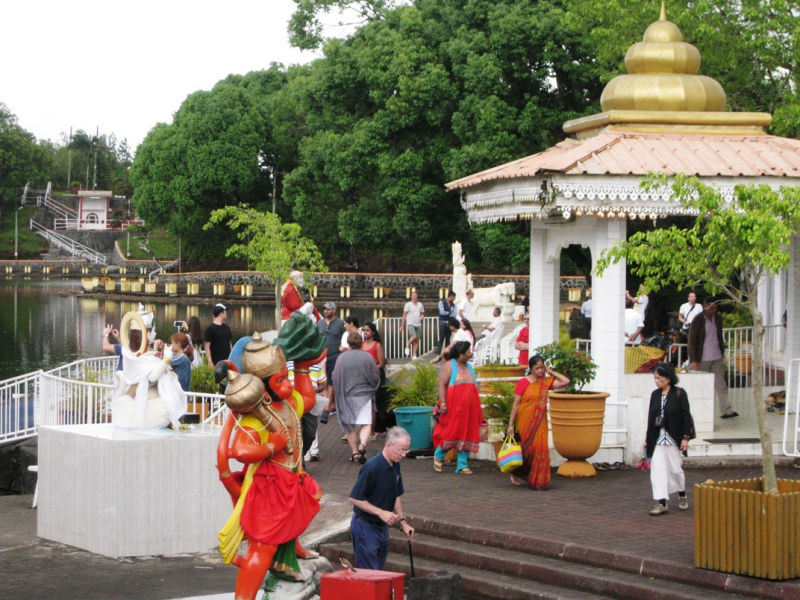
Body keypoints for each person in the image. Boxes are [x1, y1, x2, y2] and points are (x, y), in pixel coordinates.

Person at [216, 330, 325, 600]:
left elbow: (308, 401)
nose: (287, 385)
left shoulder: (285, 403)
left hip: (291, 478)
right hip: (270, 487)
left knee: (307, 504)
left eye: (286, 377)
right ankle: (244, 598)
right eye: (280, 380)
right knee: (262, 547)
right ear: (263, 388)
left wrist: (301, 370)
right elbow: (241, 450)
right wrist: (272, 446)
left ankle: (292, 548)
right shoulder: (256, 418)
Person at [348, 427, 415, 570]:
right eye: (401, 450)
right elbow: (354, 498)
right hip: (365, 526)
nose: (403, 455)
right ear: (389, 445)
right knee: (369, 574)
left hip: (381, 528)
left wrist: (403, 522)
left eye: (406, 450)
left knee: (379, 572)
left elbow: (396, 494)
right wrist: (381, 512)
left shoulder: (395, 465)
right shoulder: (371, 467)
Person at [506, 355, 570, 490]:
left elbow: (565, 381)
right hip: (525, 420)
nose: (540, 371)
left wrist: (551, 371)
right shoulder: (523, 382)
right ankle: (517, 472)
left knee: (540, 448)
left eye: (542, 368)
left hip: (540, 421)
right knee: (528, 449)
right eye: (537, 368)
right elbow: (516, 405)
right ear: (531, 369)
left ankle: (538, 480)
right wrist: (510, 425)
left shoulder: (546, 382)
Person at [644, 362, 692, 515]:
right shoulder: (655, 395)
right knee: (658, 470)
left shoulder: (679, 393)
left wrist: (685, 438)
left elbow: (686, 417)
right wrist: (648, 439)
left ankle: (682, 494)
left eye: (659, 378)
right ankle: (662, 502)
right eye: (655, 378)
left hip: (673, 438)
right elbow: (651, 418)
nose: (657, 381)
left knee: (675, 469)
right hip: (657, 438)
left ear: (668, 378)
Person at [432, 341, 482, 475]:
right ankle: (438, 455)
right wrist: (443, 403)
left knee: (467, 434)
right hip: (454, 408)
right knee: (451, 432)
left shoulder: (469, 367)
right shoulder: (449, 366)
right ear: (461, 354)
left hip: (469, 409)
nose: (470, 354)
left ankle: (462, 465)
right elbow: (442, 385)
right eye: (467, 352)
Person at [333, 331, 381, 464]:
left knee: (349, 425)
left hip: (347, 395)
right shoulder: (368, 357)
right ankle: (363, 445)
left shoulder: (341, 358)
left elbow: (335, 376)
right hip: (364, 394)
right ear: (361, 343)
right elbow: (376, 375)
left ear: (348, 343)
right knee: (366, 423)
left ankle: (354, 452)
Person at [688, 298, 738, 418]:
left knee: (721, 383)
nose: (714, 311)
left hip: (717, 356)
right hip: (702, 358)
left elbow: (718, 337)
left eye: (716, 308)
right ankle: (697, 410)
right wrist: (693, 360)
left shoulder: (718, 319)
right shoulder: (698, 320)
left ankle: (726, 410)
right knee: (700, 385)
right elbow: (692, 341)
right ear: (705, 306)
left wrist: (723, 353)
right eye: (712, 308)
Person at [362, 322, 394, 438]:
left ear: (373, 332)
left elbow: (381, 363)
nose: (365, 333)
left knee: (376, 402)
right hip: (364, 376)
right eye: (364, 330)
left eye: (367, 330)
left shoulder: (377, 345)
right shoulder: (361, 344)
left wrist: (371, 369)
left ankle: (376, 428)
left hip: (375, 376)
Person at [317, 301, 346, 407]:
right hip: (321, 357)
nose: (325, 311)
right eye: (324, 309)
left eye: (328, 309)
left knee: (331, 380)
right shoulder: (320, 323)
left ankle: (330, 404)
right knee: (322, 379)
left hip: (335, 355)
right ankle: (325, 403)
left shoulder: (341, 323)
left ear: (334, 310)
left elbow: (345, 338)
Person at [204, 304, 232, 368]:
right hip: (216, 361)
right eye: (225, 311)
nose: (226, 313)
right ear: (221, 313)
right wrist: (210, 362)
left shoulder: (226, 327)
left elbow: (229, 342)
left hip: (227, 360)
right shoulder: (210, 329)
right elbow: (207, 346)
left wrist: (232, 356)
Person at [400, 291, 424, 359]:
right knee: (414, 336)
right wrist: (402, 325)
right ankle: (407, 345)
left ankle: (414, 355)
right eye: (413, 296)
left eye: (416, 295)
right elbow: (404, 315)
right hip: (410, 323)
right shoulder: (408, 304)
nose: (415, 297)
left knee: (416, 340)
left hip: (418, 324)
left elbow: (422, 314)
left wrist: (422, 317)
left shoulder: (420, 304)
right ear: (411, 297)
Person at [434, 291, 457, 362]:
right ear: (450, 296)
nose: (454, 299)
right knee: (441, 338)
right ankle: (438, 353)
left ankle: (446, 353)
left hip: (449, 322)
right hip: (442, 322)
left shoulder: (453, 305)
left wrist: (448, 313)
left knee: (448, 338)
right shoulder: (441, 302)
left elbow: (455, 314)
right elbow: (442, 312)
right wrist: (450, 313)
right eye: (453, 297)